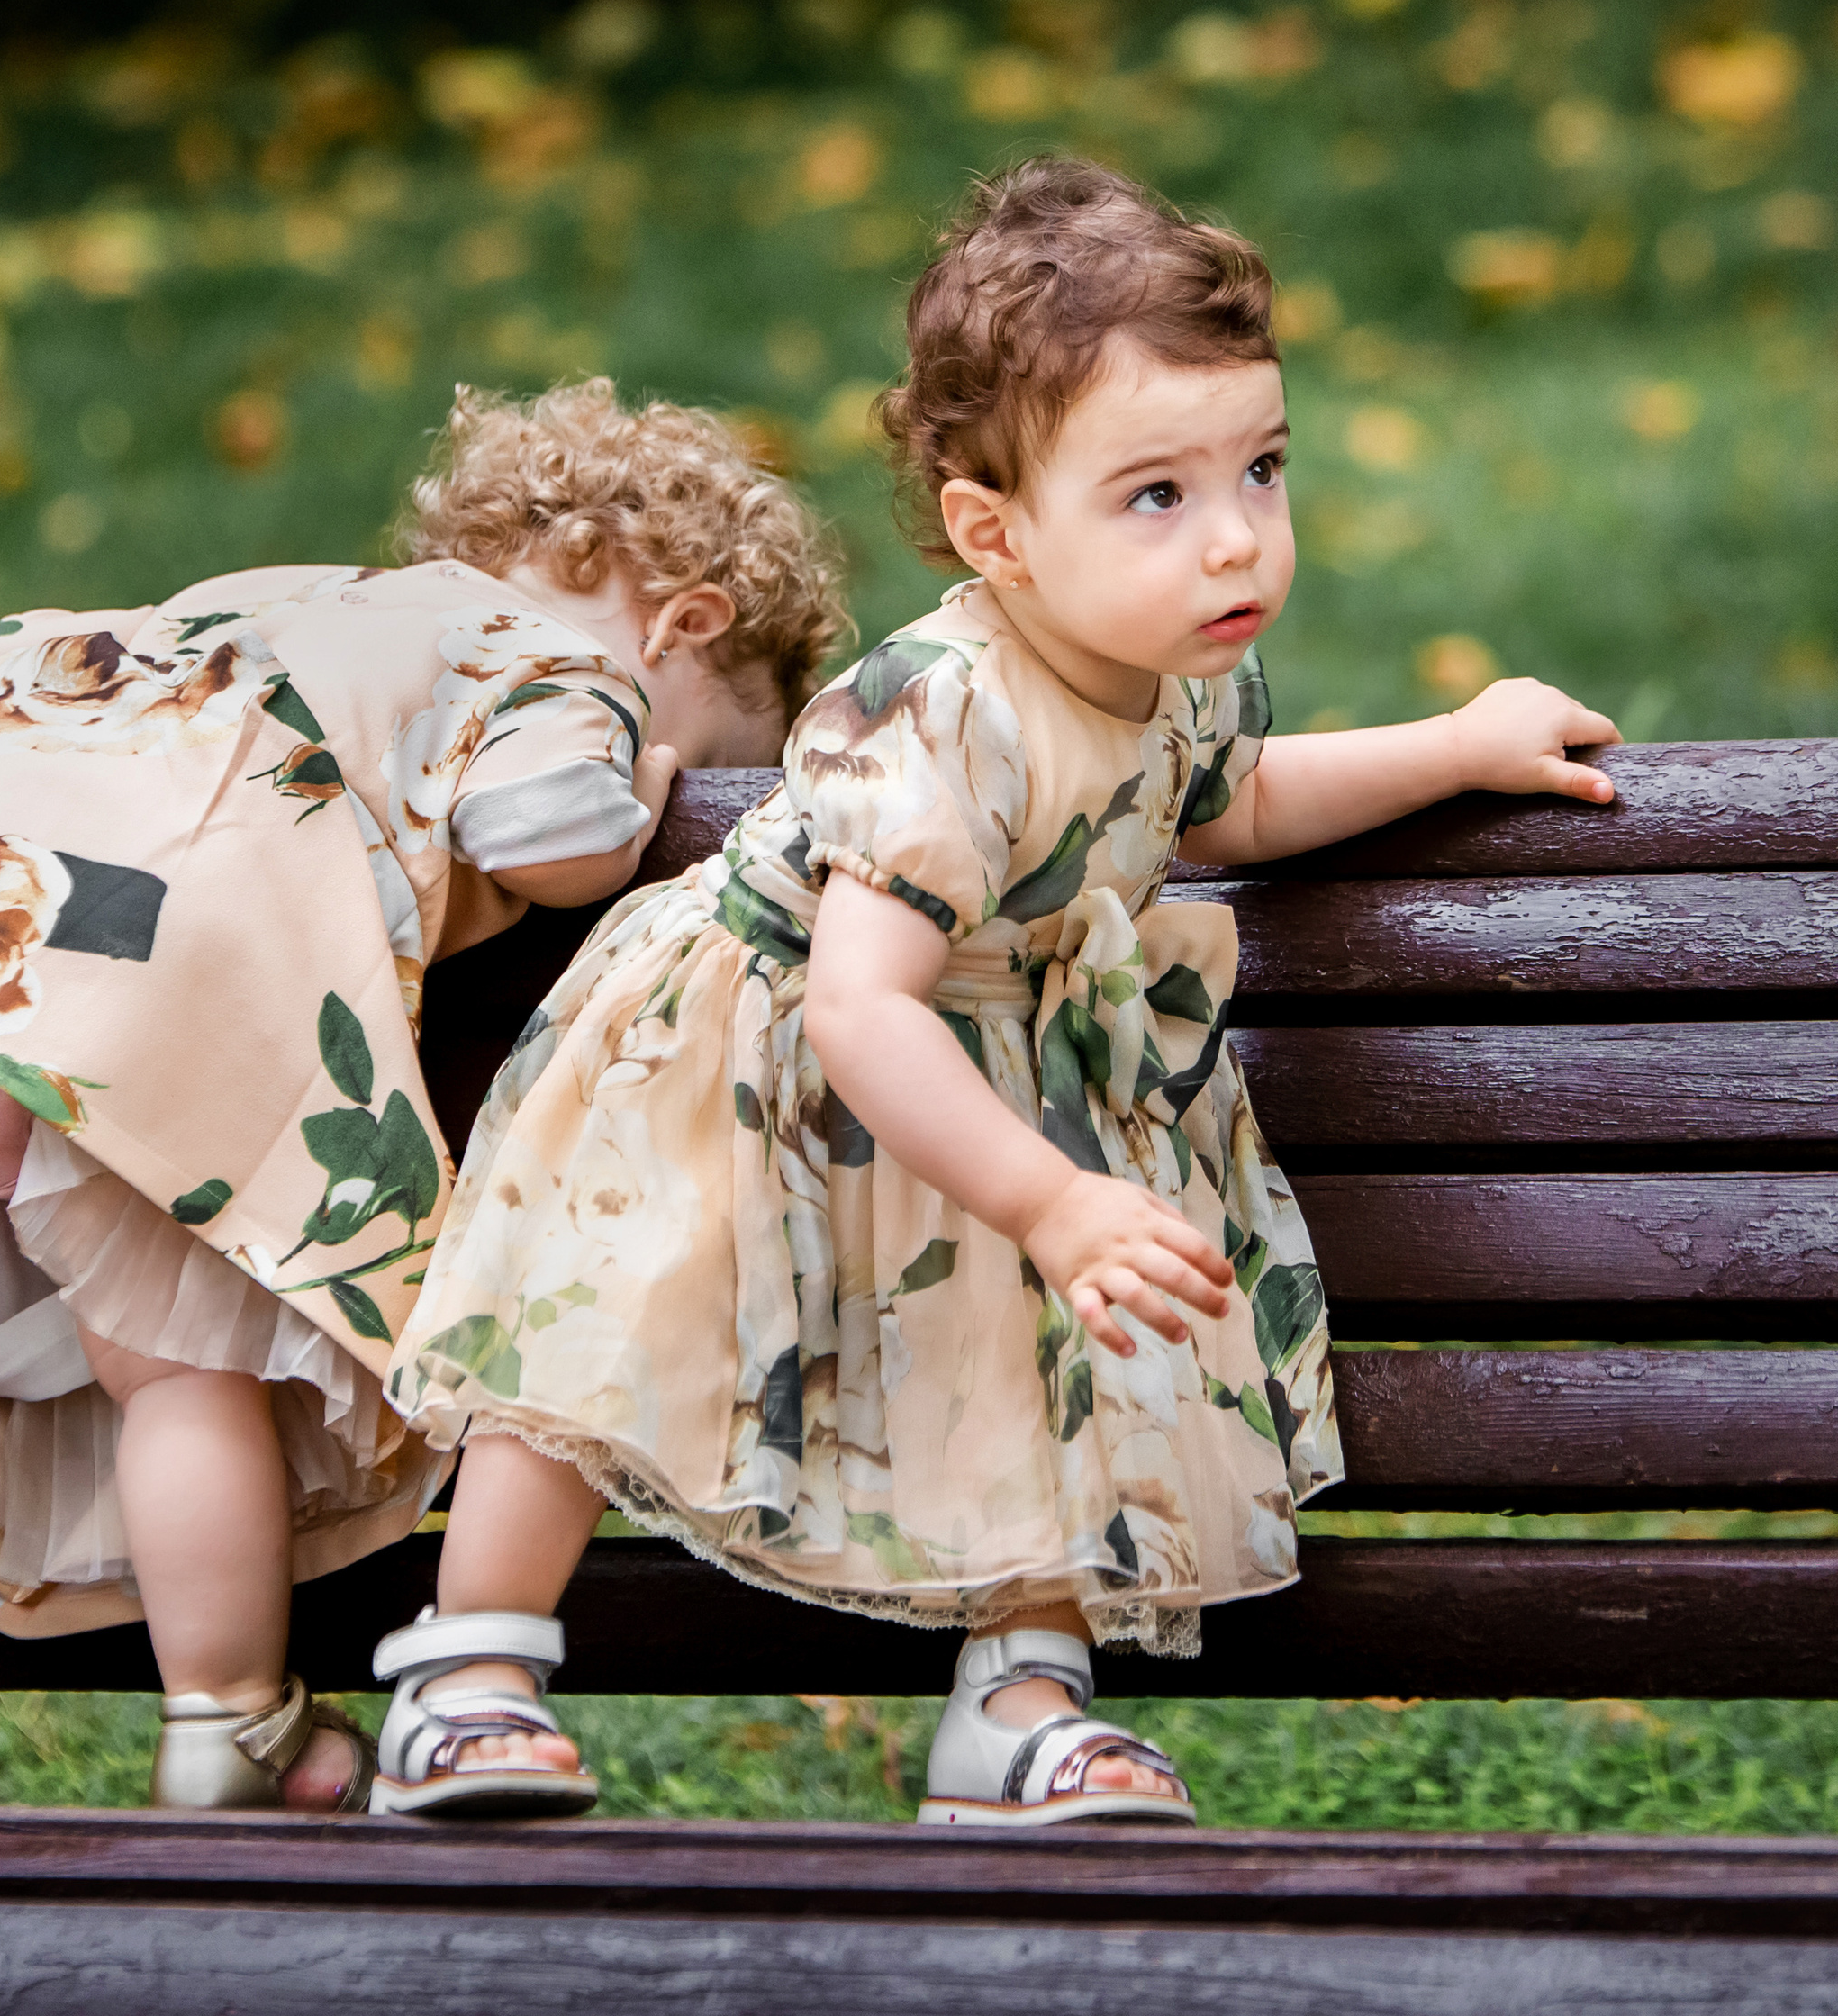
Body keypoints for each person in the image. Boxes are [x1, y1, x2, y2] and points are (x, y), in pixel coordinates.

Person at [374, 157, 1622, 1825]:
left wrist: (1457, 747)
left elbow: (1230, 805)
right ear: (996, 535)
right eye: (1158, 494)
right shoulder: (952, 706)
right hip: (764, 1045)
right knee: (614, 1317)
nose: (1238, 535)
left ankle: (1022, 1702)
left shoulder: (1178, 669)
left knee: (1041, 1362)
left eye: (1261, 468)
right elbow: (860, 1003)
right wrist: (1053, 1197)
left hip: (992, 1060)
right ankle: (468, 1672)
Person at [0, 379, 846, 1809]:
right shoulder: (544, 660)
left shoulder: (257, 596)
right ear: (681, 626)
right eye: (718, 734)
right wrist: (639, 797)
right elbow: (547, 831)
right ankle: (229, 1720)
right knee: (180, 1382)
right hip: (154, 987)